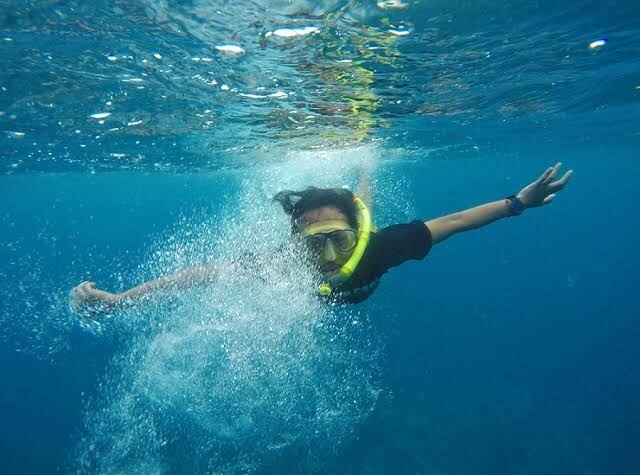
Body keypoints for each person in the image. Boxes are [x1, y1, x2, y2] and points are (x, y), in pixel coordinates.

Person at [70, 163, 572, 311]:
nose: (330, 256)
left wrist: (517, 202)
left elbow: (457, 221)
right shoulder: (284, 261)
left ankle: (364, 173)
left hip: (367, 274)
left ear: (355, 234)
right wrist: (120, 299)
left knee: (365, 201)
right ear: (297, 243)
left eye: (340, 239)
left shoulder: (381, 246)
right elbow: (197, 275)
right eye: (315, 244)